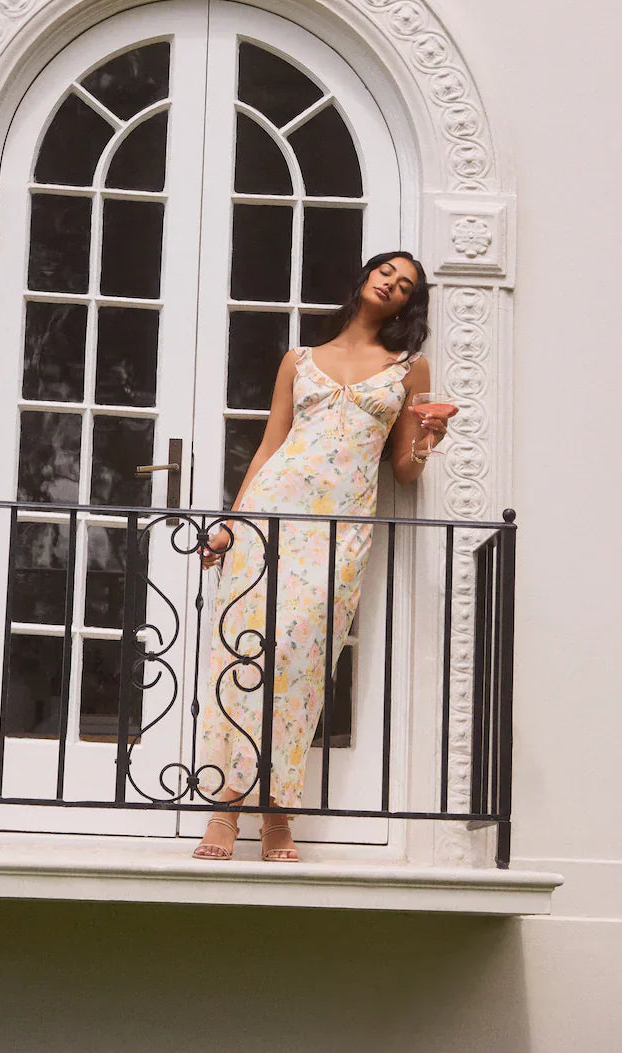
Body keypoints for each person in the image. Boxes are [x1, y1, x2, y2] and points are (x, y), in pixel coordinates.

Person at [192, 252, 448, 863]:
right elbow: (268, 448)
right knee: (244, 655)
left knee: (300, 664)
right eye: (386, 273)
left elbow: (404, 471)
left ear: (407, 305)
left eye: (405, 286)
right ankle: (225, 809)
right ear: (364, 277)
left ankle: (277, 812)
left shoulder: (409, 368)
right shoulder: (298, 360)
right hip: (270, 515)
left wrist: (428, 442)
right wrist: (232, 525)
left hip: (338, 530)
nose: (392, 284)